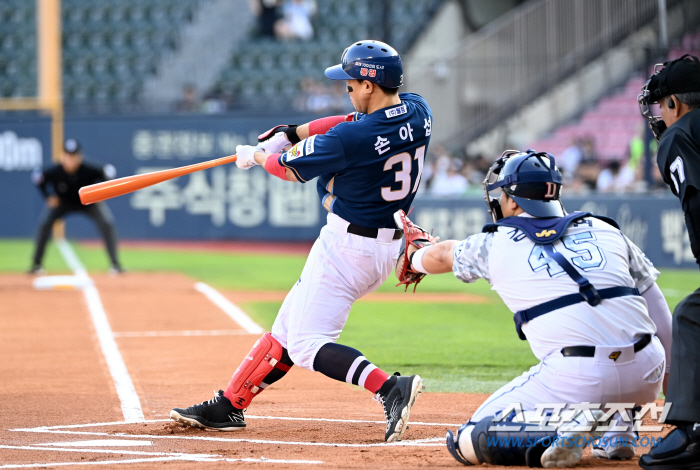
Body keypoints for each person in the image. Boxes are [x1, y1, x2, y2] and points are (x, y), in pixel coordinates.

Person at [170, 40, 432, 443]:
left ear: (369, 85)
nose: (346, 88)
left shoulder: (354, 138)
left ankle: (389, 387)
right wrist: (291, 132)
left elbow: (289, 170)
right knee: (288, 329)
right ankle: (231, 405)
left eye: (351, 82)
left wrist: (256, 157)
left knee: (308, 345)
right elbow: (344, 123)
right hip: (383, 243)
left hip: (349, 248)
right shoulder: (418, 110)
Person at [395, 150, 672, 467]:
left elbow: (442, 254)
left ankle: (560, 433)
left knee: (469, 441)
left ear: (513, 200)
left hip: (579, 377)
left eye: (501, 193)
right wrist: (674, 390)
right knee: (623, 335)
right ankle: (618, 433)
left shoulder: (495, 242)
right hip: (648, 372)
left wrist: (415, 256)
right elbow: (662, 318)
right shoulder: (607, 229)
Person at [637, 53, 700, 470]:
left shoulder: (680, 137)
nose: (661, 114)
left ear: (674, 102)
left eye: (662, 105)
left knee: (692, 315)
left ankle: (691, 434)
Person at [29, 138, 123, 274]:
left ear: (80, 156)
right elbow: (37, 178)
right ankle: (36, 265)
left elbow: (108, 173)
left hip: (88, 203)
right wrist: (48, 196)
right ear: (62, 156)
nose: (70, 159)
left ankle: (115, 264)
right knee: (44, 224)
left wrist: (100, 194)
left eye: (74, 156)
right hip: (62, 203)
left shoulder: (88, 169)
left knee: (107, 223)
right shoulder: (56, 171)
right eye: (68, 156)